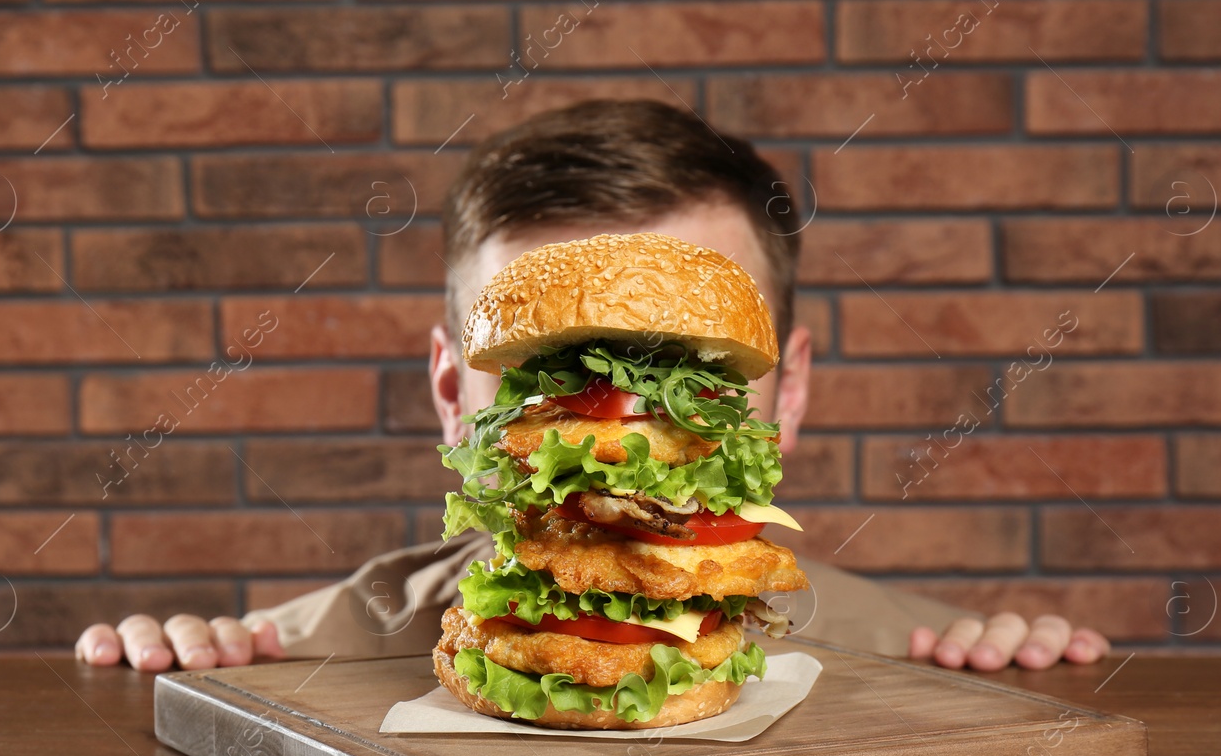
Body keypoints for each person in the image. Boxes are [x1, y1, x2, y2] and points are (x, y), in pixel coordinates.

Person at [76, 100, 1110, 676]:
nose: (626, 426)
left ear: (785, 392)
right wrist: (156, 681)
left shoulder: (926, 662)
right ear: (452, 389)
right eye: (544, 377)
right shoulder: (282, 663)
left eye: (695, 375)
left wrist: (1024, 683)